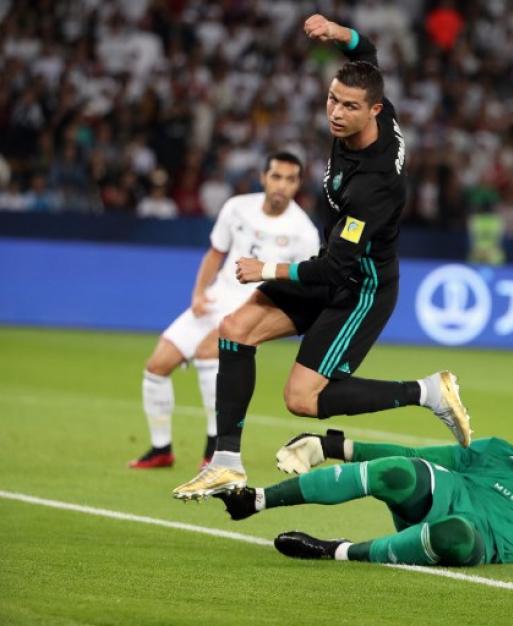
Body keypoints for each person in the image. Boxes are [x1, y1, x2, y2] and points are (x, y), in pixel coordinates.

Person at [173, 15, 470, 500]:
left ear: (374, 111)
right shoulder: (377, 108)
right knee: (234, 329)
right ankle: (226, 463)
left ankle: (428, 392)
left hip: (362, 287)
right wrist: (339, 32)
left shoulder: (375, 186)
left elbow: (336, 268)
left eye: (349, 107)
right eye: (333, 99)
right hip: (334, 264)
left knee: (302, 399)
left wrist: (265, 270)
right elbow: (367, 51)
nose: (336, 112)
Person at [215, 413, 513, 566]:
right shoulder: (496, 452)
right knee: (399, 473)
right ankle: (255, 500)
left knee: (456, 534)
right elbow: (415, 453)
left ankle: (334, 551)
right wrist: (335, 444)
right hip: (444, 495)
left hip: (474, 538)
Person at [130, 152, 320, 469]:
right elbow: (215, 254)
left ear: (298, 184)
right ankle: (161, 449)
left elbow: (304, 283)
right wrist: (198, 294)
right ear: (264, 177)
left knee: (208, 355)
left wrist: (267, 319)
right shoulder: (237, 207)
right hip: (216, 298)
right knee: (156, 367)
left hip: (253, 307)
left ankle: (213, 450)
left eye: (290, 179)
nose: (281, 185)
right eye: (276, 176)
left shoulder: (304, 232)